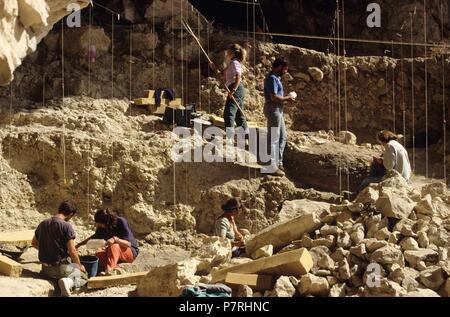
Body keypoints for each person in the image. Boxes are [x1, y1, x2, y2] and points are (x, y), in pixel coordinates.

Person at [32, 201, 88, 297]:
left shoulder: (43, 224)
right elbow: (72, 251)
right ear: (71, 214)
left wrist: (46, 249)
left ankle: (60, 284)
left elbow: (34, 243)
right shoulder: (66, 226)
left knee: (59, 277)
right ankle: (68, 282)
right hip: (59, 268)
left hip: (45, 269)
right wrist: (79, 266)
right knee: (83, 276)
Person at [76, 209, 139, 275]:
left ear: (106, 222)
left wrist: (115, 239)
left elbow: (128, 244)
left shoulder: (121, 221)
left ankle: (109, 271)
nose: (98, 225)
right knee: (98, 254)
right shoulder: (103, 227)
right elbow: (93, 237)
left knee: (114, 245)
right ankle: (115, 268)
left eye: (99, 223)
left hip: (130, 252)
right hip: (116, 252)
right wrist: (78, 245)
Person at [263, 57, 297, 177]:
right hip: (273, 110)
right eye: (285, 69)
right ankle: (270, 166)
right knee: (273, 138)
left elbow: (277, 98)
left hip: (277, 110)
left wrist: (286, 100)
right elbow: (274, 98)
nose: (286, 71)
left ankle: (278, 163)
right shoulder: (272, 78)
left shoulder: (276, 78)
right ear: (279, 67)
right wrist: (288, 98)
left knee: (283, 136)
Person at [213, 44, 248, 139]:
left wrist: (233, 89)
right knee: (238, 115)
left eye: (228, 51)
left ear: (233, 53)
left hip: (236, 88)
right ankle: (247, 138)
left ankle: (230, 137)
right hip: (237, 89)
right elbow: (221, 75)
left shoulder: (235, 63)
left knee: (229, 113)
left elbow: (238, 76)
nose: (227, 53)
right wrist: (213, 67)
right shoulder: (231, 64)